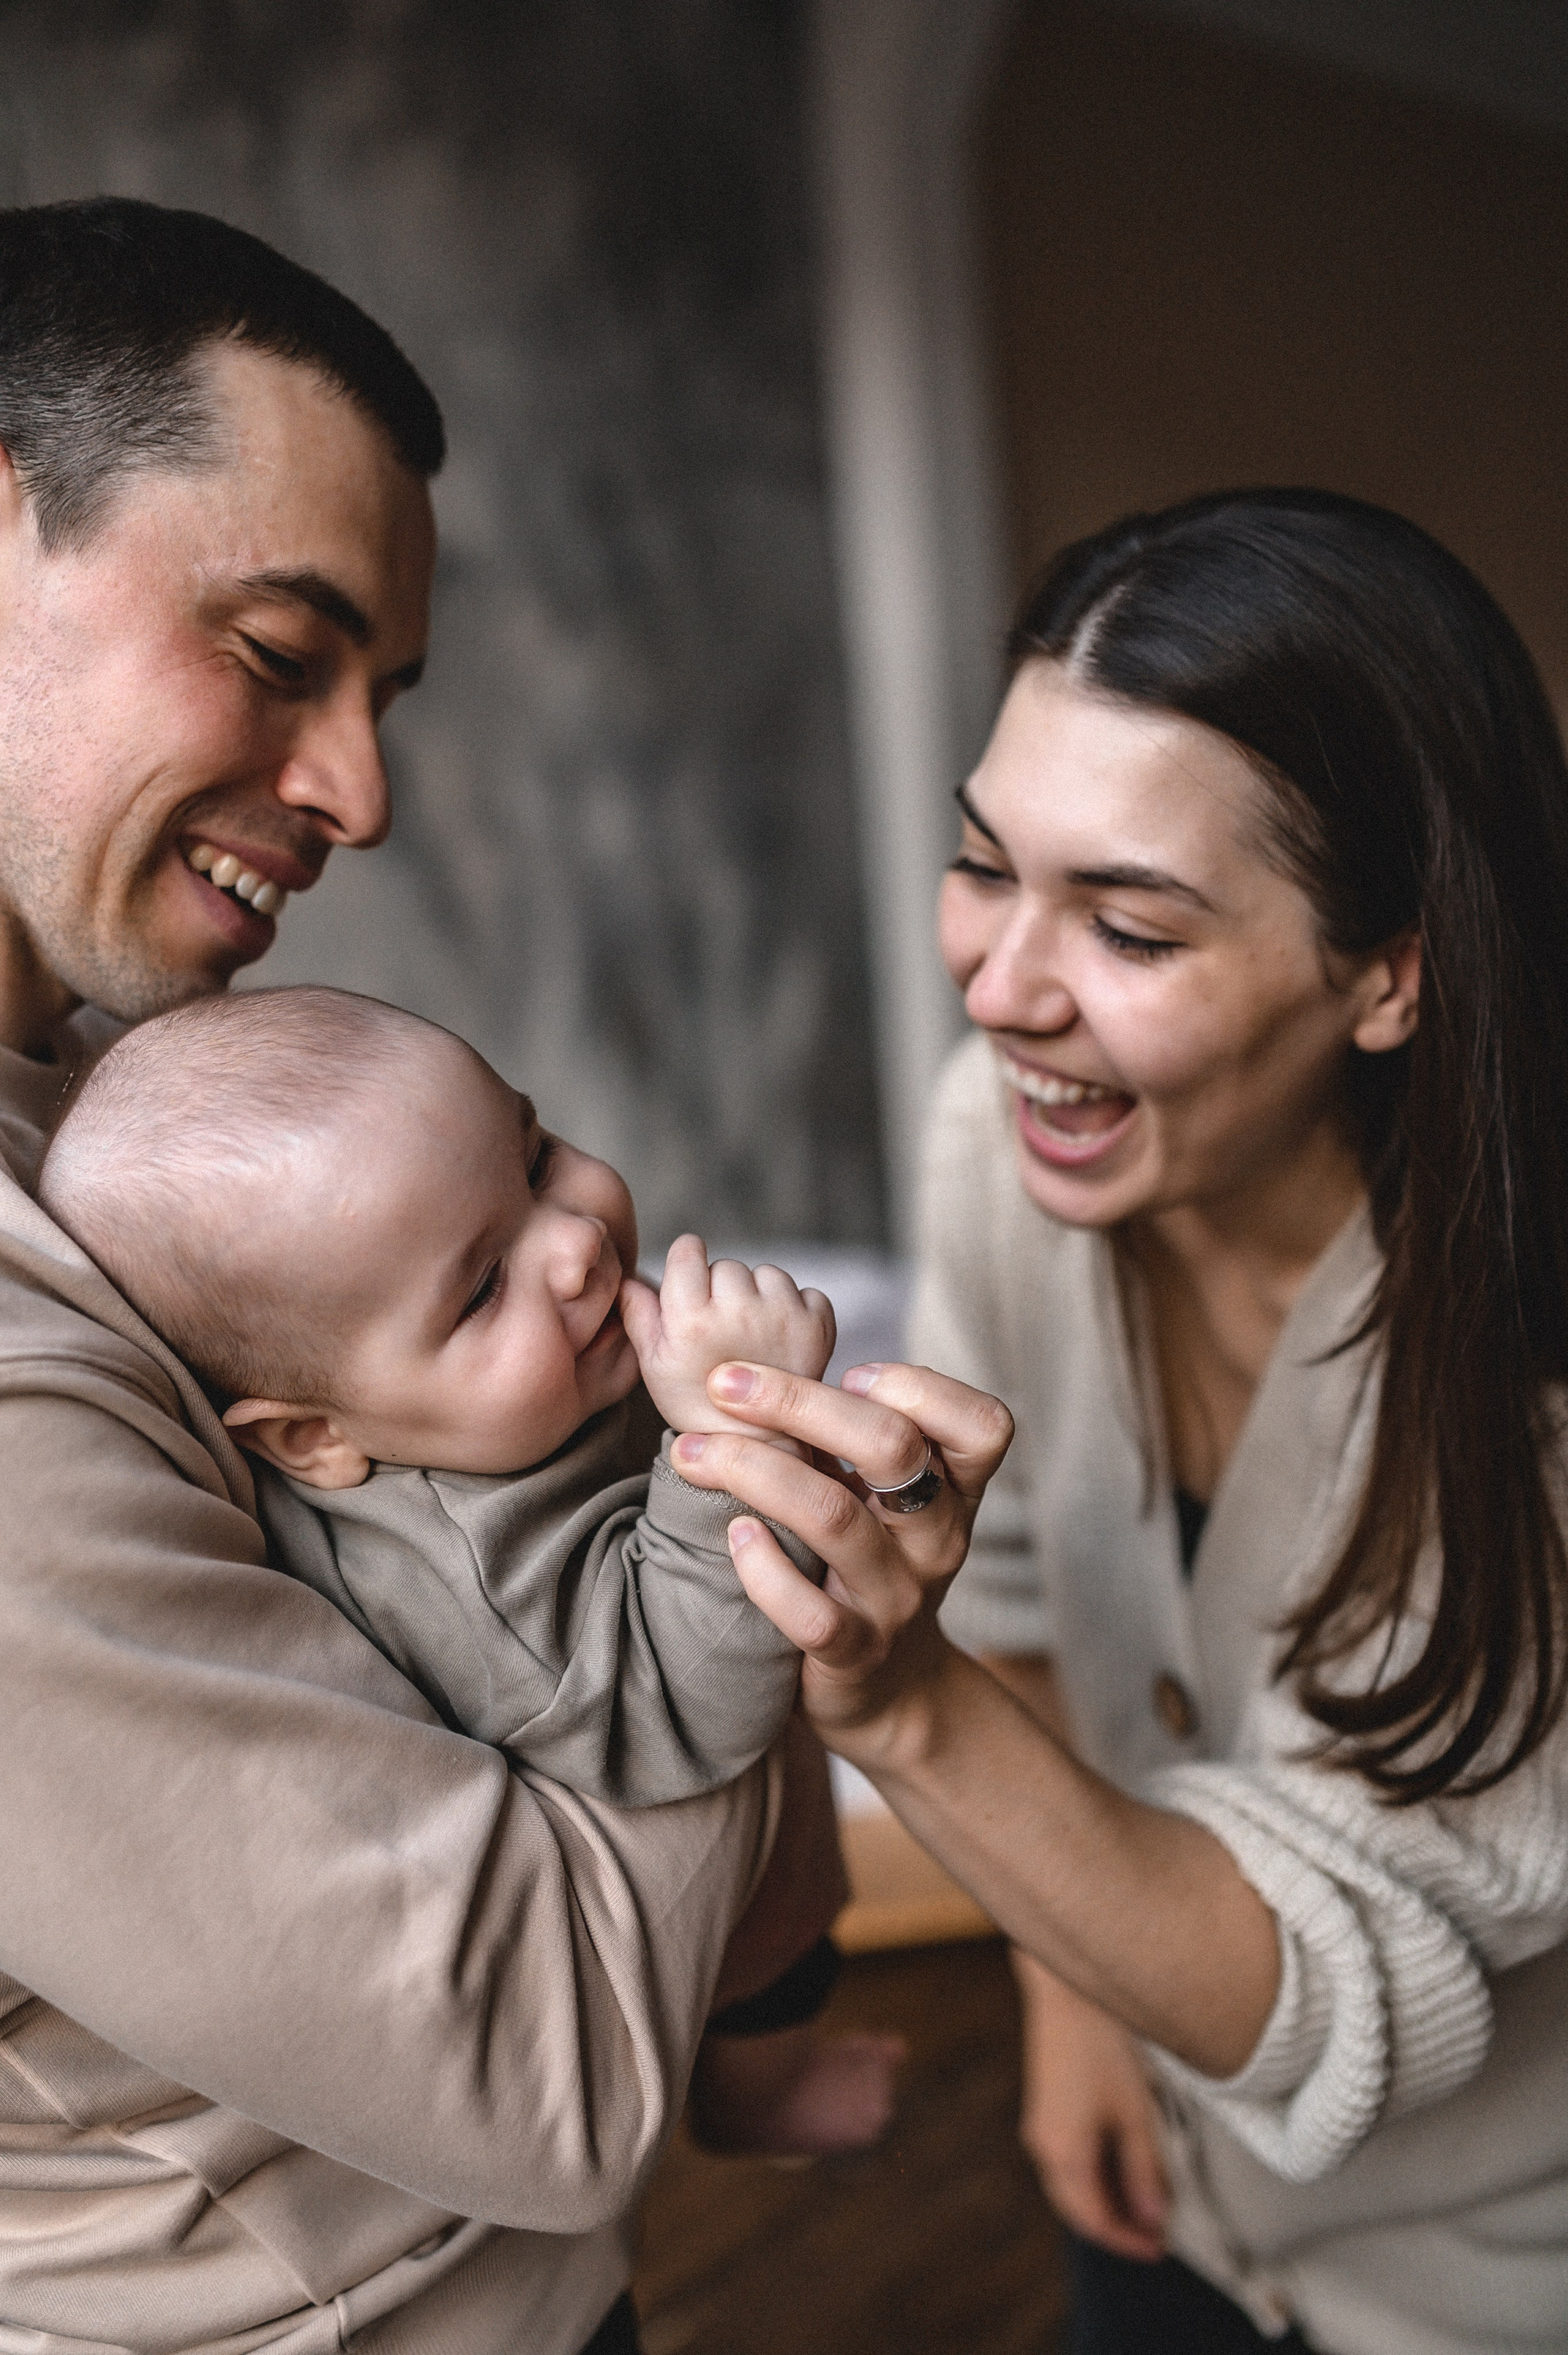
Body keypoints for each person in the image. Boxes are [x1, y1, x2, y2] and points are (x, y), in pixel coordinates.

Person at [0, 195, 851, 2355]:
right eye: (284, 657)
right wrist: (735, 1530)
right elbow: (545, 2069)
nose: (364, 794)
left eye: (382, 692)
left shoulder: (115, 1116)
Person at [663, 493, 1568, 2354]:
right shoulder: (1006, 1136)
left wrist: (898, 1709)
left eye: (1130, 925)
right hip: (1162, 2176)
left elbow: (1332, 1989)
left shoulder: (1525, 1386)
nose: (1000, 989)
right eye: (986, 866)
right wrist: (1076, 2002)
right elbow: (1011, 1600)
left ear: (1389, 968)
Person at [39, 983, 904, 2158]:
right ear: (315, 1441)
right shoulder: (478, 1583)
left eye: (537, 1157)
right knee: (780, 1950)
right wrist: (736, 1443)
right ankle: (754, 2096)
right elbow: (665, 1717)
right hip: (704, 1906)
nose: (576, 1244)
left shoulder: (501, 1395)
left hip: (749, 1738)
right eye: (484, 1287)